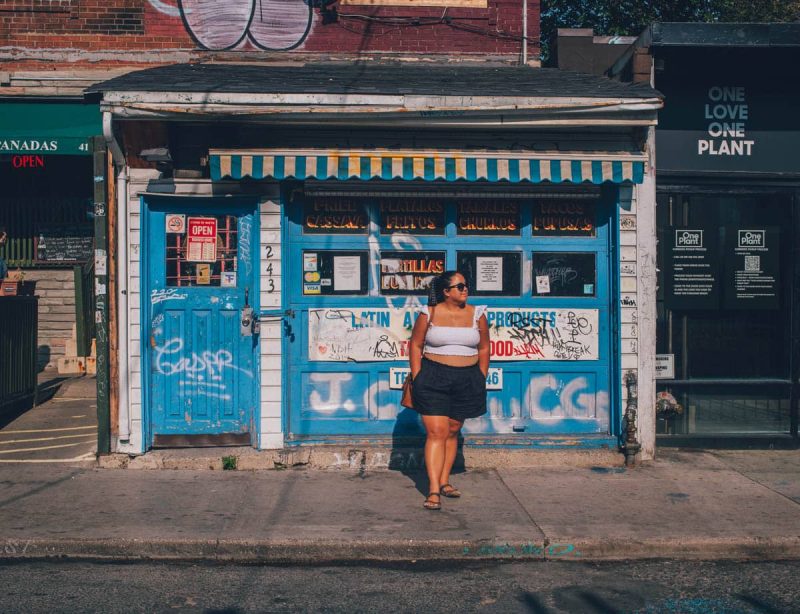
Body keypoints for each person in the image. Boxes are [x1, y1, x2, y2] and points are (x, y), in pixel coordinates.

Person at [408, 270, 489, 511]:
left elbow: (484, 348)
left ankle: (445, 481)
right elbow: (415, 344)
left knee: (452, 430)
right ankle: (433, 490)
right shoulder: (429, 313)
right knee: (437, 432)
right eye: (460, 286)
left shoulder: (478, 314)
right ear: (446, 291)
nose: (465, 289)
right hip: (433, 377)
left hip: (467, 378)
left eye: (466, 285)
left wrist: (481, 375)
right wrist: (418, 375)